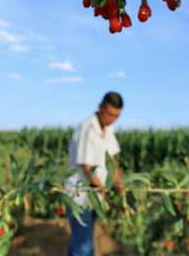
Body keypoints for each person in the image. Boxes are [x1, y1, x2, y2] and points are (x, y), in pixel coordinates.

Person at [64, 91, 124, 256]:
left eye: (116, 117)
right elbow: (87, 167)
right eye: (110, 114)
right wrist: (106, 190)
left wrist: (119, 183)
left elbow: (113, 161)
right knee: (82, 246)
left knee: (85, 243)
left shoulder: (108, 130)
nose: (112, 119)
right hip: (81, 197)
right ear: (100, 108)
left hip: (95, 196)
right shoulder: (87, 128)